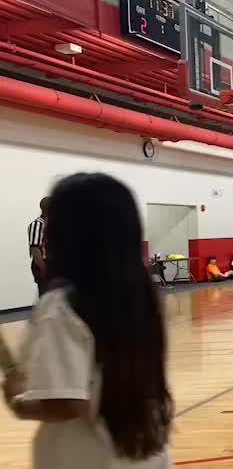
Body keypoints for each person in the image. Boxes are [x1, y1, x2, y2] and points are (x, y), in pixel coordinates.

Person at [2, 173, 172, 468]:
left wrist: (18, 402)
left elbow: (66, 403)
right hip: (145, 455)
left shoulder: (61, 307)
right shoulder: (143, 298)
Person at [27, 197, 50, 297]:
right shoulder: (37, 224)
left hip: (53, 265)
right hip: (43, 264)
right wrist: (44, 269)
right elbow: (35, 249)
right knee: (46, 297)